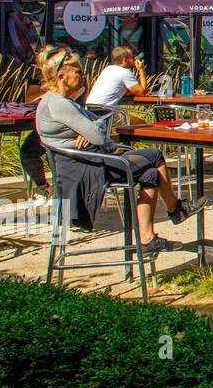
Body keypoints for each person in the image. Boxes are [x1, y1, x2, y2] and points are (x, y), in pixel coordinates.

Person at [34, 44, 200, 253]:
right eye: (77, 70)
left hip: (85, 163)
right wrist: (92, 131)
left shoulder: (62, 101)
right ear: (61, 76)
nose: (83, 75)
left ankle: (148, 238)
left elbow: (100, 123)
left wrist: (91, 130)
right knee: (155, 155)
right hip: (86, 169)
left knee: (150, 174)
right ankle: (175, 208)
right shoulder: (60, 104)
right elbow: (99, 134)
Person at [84, 45, 149, 107]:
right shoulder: (124, 72)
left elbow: (128, 91)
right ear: (124, 59)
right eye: (132, 57)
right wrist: (141, 70)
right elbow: (142, 93)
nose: (134, 59)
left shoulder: (107, 70)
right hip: (102, 111)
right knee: (137, 119)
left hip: (89, 109)